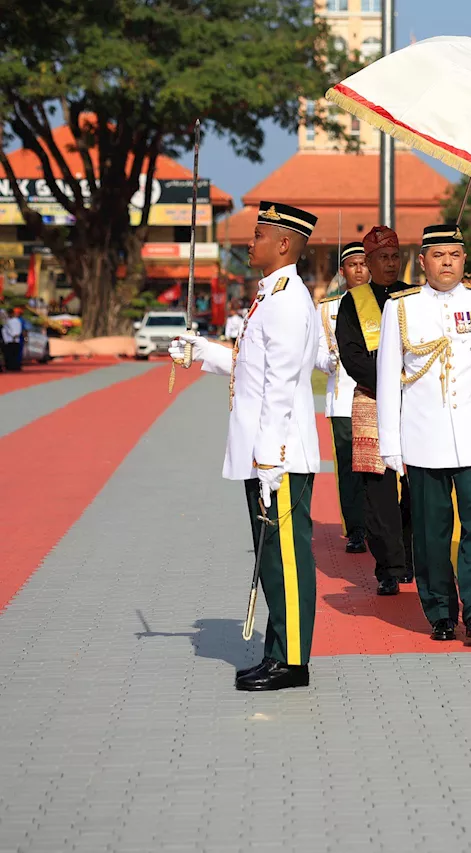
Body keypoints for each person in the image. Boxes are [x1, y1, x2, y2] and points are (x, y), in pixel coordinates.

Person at [169, 200, 322, 691]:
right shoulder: (271, 296)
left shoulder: (286, 300)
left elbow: (279, 384)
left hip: (278, 453)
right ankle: (280, 651)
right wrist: (203, 352)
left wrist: (271, 460)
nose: (248, 242)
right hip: (266, 451)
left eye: (257, 235)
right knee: (272, 558)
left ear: (283, 244)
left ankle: (292, 660)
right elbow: (251, 366)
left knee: (287, 560)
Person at [377, 224, 471, 646]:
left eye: (454, 255)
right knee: (430, 531)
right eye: (438, 255)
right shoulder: (401, 309)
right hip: (423, 440)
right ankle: (439, 610)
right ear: (422, 261)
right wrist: (390, 443)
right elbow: (388, 380)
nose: (446, 263)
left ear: (463, 259)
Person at [335, 226, 414, 596]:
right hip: (372, 399)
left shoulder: (414, 296)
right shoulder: (352, 303)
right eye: (383, 257)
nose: (391, 263)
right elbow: (351, 356)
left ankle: (411, 554)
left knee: (419, 484)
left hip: (416, 401)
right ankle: (388, 565)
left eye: (395, 256)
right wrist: (389, 384)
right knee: (377, 488)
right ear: (367, 263)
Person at [317, 242, 369, 553]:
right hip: (342, 395)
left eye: (364, 263)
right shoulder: (327, 308)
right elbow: (316, 353)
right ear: (342, 270)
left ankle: (380, 525)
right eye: (353, 264)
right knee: (349, 464)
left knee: (377, 464)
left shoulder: (384, 304)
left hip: (375, 393)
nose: (360, 270)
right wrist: (329, 361)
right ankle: (356, 529)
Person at [2, 306, 24, 371]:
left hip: (14, 340)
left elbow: (18, 330)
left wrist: (14, 335)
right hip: (7, 341)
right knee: (8, 355)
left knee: (14, 355)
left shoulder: (16, 321)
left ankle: (15, 367)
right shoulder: (6, 321)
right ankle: (9, 367)